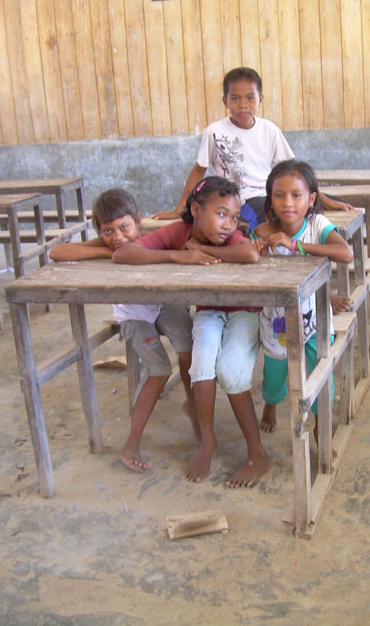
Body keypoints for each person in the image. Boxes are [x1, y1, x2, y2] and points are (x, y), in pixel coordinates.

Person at [152, 66, 353, 313]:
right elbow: (198, 170)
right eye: (235, 98)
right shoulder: (214, 132)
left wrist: (325, 200)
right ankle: (283, 295)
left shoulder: (269, 130)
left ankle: (312, 293)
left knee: (300, 224)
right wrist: (178, 209)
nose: (243, 105)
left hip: (269, 195)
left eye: (250, 98)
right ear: (224, 101)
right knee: (266, 238)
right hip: (237, 200)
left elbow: (296, 175)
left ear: (261, 99)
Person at [113, 177, 270, 488]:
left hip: (243, 311)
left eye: (233, 217)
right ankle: (207, 442)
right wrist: (177, 254)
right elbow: (123, 254)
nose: (228, 224)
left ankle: (257, 454)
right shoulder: (178, 232)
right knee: (200, 366)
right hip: (209, 312)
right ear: (196, 210)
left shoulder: (230, 236)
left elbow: (249, 254)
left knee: (230, 371)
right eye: (221, 214)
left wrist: (200, 249)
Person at [49, 189, 198, 473]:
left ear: (138, 220)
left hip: (164, 305)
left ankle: (192, 404)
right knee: (159, 370)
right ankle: (131, 443)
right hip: (133, 315)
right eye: (108, 231)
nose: (117, 236)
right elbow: (57, 252)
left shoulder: (153, 238)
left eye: (124, 227)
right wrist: (109, 252)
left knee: (189, 349)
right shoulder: (111, 245)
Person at [251, 160, 353, 444]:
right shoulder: (261, 232)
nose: (287, 202)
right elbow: (246, 261)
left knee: (321, 374)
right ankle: (272, 403)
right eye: (279, 195)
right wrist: (255, 249)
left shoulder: (317, 225)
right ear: (270, 199)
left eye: (296, 195)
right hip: (276, 321)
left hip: (316, 319)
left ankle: (321, 424)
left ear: (311, 199)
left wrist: (294, 244)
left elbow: (345, 254)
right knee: (274, 376)